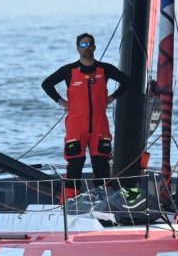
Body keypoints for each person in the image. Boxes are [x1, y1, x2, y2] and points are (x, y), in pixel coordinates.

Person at [41, 33, 130, 200]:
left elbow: (127, 81)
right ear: (77, 49)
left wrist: (113, 97)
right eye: (82, 45)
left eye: (89, 44)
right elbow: (46, 84)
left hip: (99, 126)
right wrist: (61, 101)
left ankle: (105, 201)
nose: (86, 47)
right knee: (75, 165)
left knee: (102, 166)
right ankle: (68, 201)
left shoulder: (105, 69)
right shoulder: (69, 70)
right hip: (76, 126)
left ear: (94, 47)